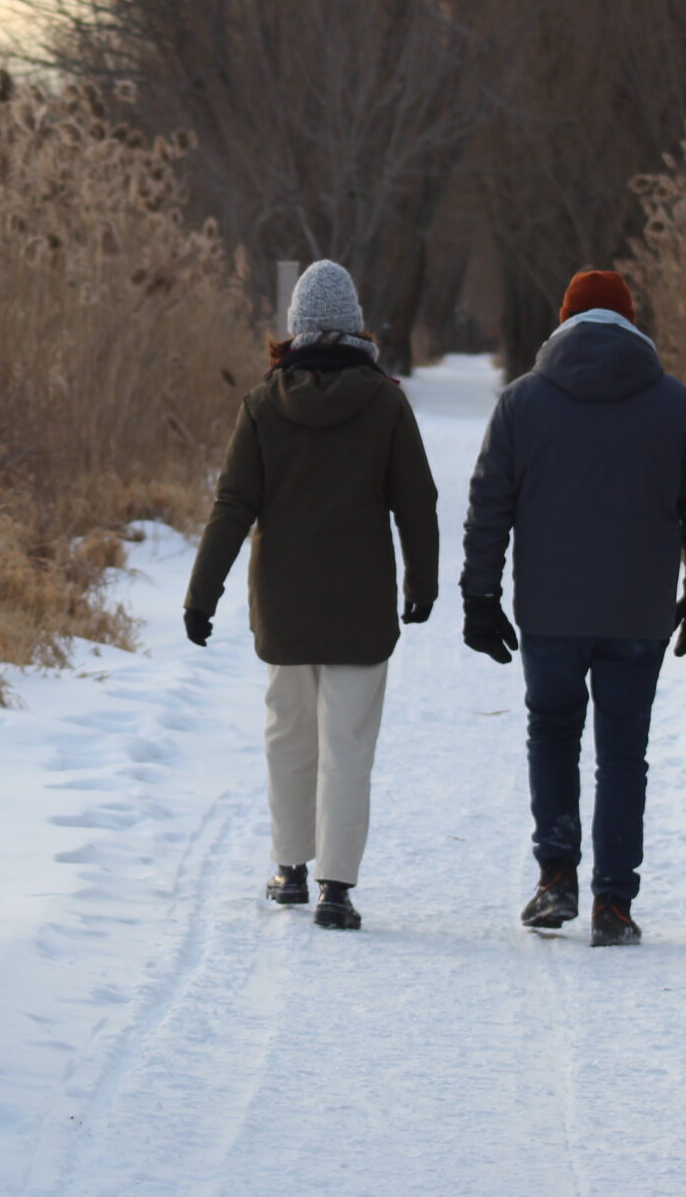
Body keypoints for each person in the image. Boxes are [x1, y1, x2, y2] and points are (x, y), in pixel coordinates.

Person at [459, 269, 686, 947]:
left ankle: (556, 877)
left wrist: (480, 598)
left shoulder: (523, 404)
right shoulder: (674, 405)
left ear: (564, 320)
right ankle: (614, 901)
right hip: (638, 611)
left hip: (550, 610)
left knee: (552, 731)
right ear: (632, 323)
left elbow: (490, 505)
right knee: (623, 751)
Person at [183, 260, 440, 931]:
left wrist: (201, 596)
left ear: (295, 327)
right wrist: (423, 582)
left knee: (289, 738)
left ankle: (290, 868)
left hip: (286, 606)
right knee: (348, 747)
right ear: (355, 324)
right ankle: (336, 887)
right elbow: (418, 501)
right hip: (360, 609)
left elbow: (233, 504)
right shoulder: (384, 401)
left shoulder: (265, 404)